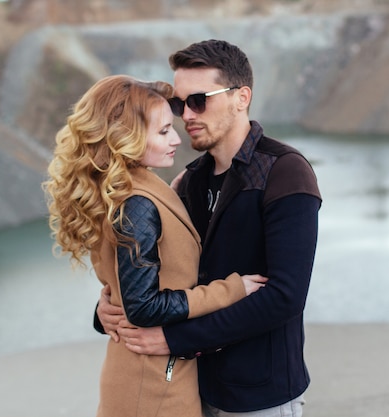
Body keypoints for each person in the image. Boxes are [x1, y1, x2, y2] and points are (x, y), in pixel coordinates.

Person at [96, 40, 322, 416]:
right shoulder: (188, 182)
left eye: (199, 100)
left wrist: (175, 340)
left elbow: (285, 296)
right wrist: (105, 311)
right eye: (178, 104)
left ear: (241, 97)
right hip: (192, 390)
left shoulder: (285, 171)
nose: (186, 115)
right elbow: (160, 274)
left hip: (258, 396)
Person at [42, 74, 267, 417]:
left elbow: (130, 285)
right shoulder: (136, 202)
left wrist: (107, 309)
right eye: (163, 132)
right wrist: (233, 289)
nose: (177, 138)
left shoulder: (127, 190)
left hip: (145, 374)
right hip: (152, 387)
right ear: (125, 138)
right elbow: (143, 308)